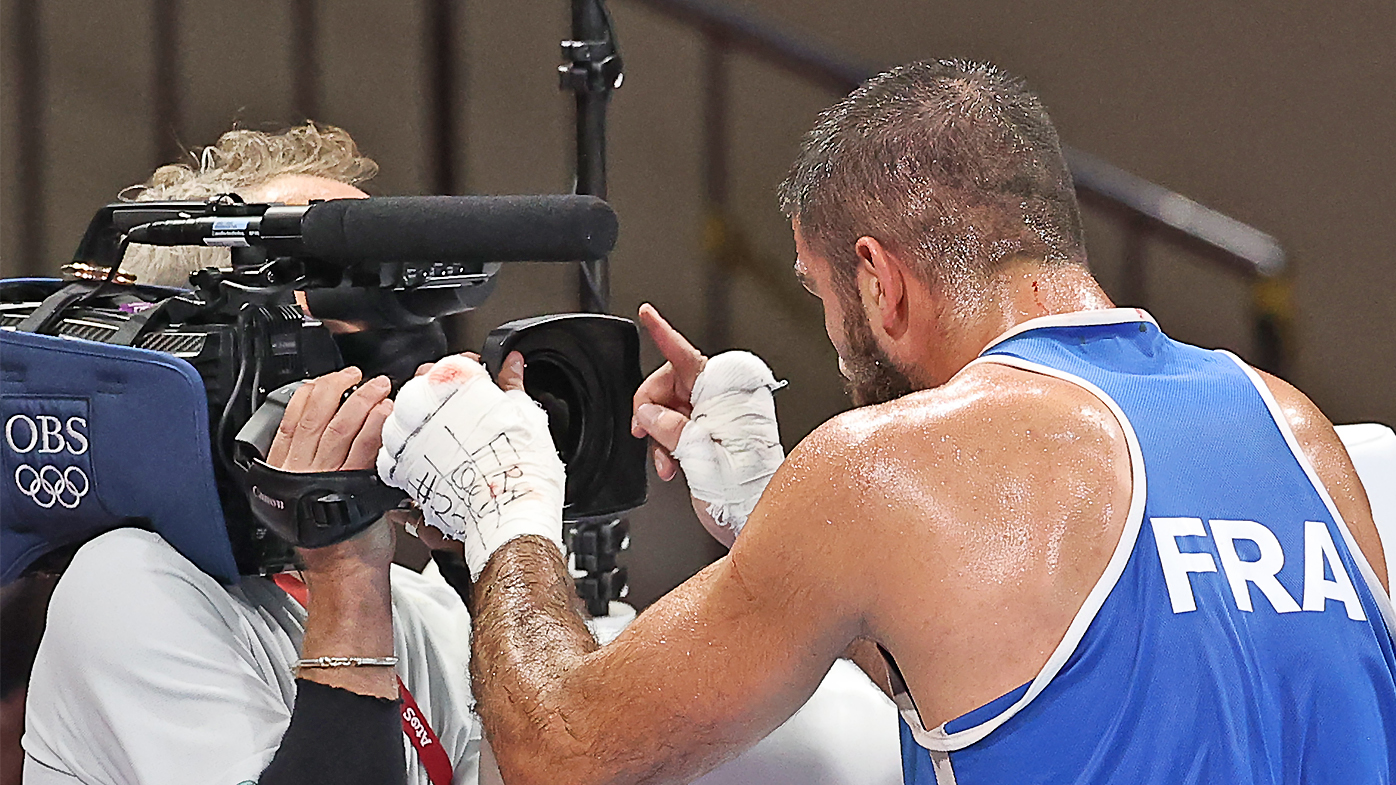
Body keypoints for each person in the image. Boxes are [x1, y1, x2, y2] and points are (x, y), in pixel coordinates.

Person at [362, 59, 1396, 783]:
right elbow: (1063, 682)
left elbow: (561, 749)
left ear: (877, 279)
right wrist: (774, 517)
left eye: (818, 294)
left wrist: (506, 504)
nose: (832, 333)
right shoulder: (1296, 432)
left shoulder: (890, 464)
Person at [20, 124, 486, 785]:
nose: (398, 346)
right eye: (340, 294)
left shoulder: (413, 608)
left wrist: (487, 552)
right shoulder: (123, 585)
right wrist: (345, 563)